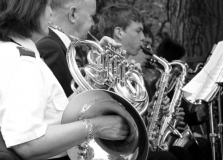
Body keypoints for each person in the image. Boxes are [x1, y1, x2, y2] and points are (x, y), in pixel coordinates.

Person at [0, 1, 129, 160]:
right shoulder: (22, 61)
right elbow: (28, 143)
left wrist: (96, 73)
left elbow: (55, 114)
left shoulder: (22, 54)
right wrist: (97, 126)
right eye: (47, 5)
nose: (51, 13)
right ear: (30, 9)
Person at [98, 4, 191, 160]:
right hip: (116, 150)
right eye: (138, 30)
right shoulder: (104, 70)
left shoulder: (132, 71)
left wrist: (160, 114)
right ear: (119, 32)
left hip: (131, 145)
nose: (142, 38)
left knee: (180, 153)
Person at [154, 38, 211, 160]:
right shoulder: (159, 86)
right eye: (183, 62)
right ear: (172, 63)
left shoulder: (176, 86)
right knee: (190, 150)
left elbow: (183, 119)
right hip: (165, 138)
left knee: (204, 145)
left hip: (176, 135)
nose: (185, 65)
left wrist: (197, 116)